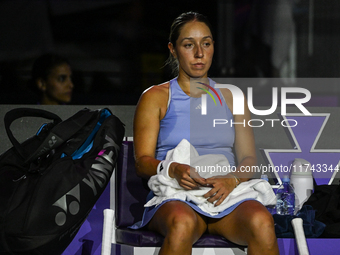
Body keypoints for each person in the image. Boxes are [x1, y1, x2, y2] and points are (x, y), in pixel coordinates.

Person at [133, 12, 279, 255]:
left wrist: (231, 180)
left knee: (262, 222)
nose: (199, 53)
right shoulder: (155, 97)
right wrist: (173, 169)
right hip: (178, 194)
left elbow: (249, 161)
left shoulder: (233, 96)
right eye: (189, 45)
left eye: (206, 44)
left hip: (227, 195)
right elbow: (142, 163)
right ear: (173, 49)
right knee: (182, 224)